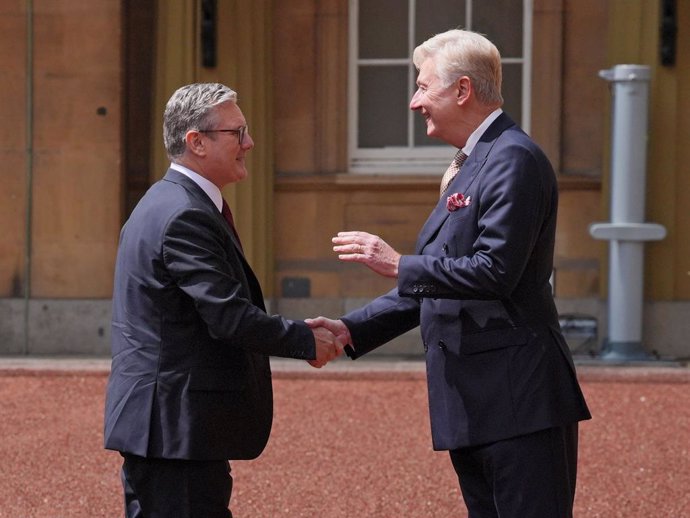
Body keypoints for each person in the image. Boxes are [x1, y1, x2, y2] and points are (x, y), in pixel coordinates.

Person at [308, 30, 591, 518]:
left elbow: (494, 272)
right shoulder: (472, 164)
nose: (415, 102)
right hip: (477, 402)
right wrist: (352, 329)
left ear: (462, 90)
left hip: (518, 401)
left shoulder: (513, 158)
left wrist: (397, 263)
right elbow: (434, 285)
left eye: (423, 87)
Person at [104, 82, 343, 518]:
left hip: (175, 429)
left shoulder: (174, 203)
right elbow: (229, 316)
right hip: (173, 430)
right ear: (196, 142)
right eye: (237, 133)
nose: (249, 143)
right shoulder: (184, 214)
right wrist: (306, 340)